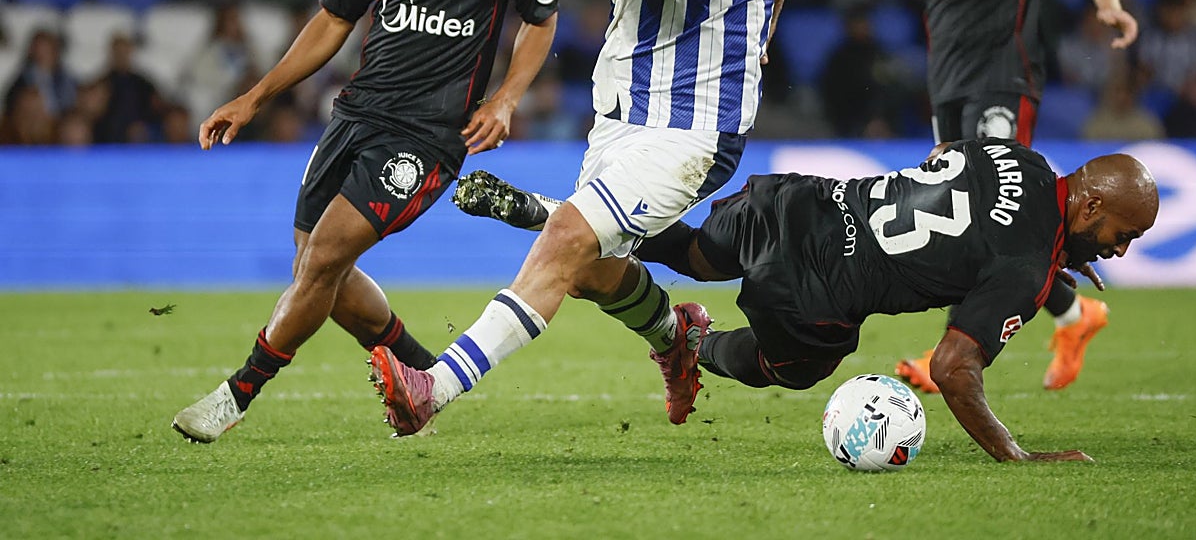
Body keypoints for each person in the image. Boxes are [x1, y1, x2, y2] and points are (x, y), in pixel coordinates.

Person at [368, 0, 794, 437]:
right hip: (622, 116)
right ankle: (677, 338)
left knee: (566, 239)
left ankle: (432, 388)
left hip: (698, 128)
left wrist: (768, 20)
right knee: (593, 270)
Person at [171, 0, 559, 443]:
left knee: (323, 258)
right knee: (316, 266)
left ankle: (234, 396)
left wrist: (506, 97)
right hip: (355, 117)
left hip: (428, 136)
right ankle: (423, 377)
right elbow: (331, 22)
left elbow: (541, 21)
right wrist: (255, 97)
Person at [454, 140, 1158, 462]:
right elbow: (952, 369)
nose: (1121, 251)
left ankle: (560, 214)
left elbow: (947, 155)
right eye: (1121, 235)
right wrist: (1014, 454)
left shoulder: (1025, 162)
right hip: (817, 290)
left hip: (796, 202)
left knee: (697, 253)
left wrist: (1056, 250)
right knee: (794, 367)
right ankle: (692, 341)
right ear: (1091, 205)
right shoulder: (1026, 266)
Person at [890, 0, 1140, 394]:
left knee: (992, 207)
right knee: (966, 210)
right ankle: (1074, 314)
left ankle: (953, 352)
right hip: (947, 73)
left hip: (1008, 69)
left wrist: (1108, 4)